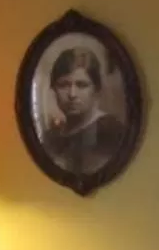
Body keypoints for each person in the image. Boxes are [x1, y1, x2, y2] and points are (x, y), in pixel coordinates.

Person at [39, 45, 126, 179]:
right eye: (63, 85)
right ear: (54, 89)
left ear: (96, 90)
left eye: (82, 85)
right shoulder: (51, 137)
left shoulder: (112, 131)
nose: (72, 94)